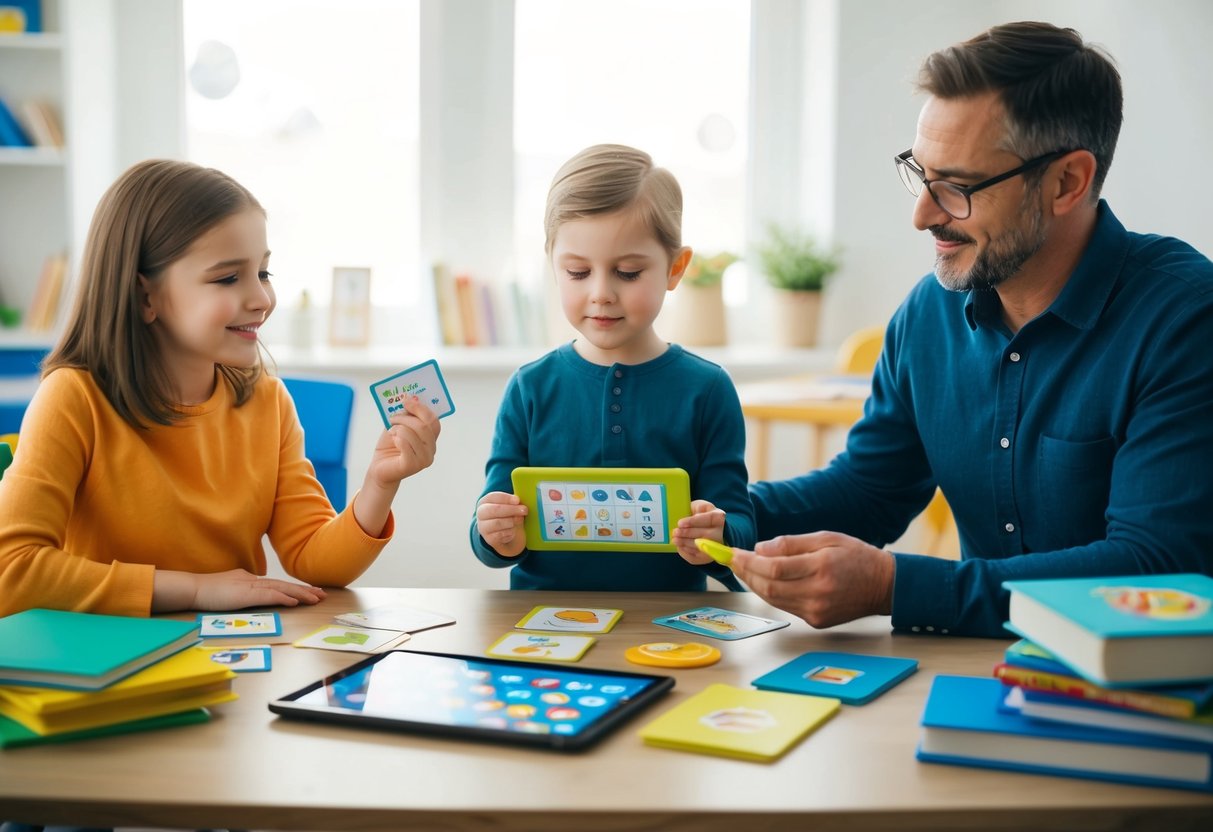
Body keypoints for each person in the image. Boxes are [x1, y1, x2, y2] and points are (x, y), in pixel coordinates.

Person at [678, 21, 1213, 637]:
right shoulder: (928, 315)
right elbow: (871, 490)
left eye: (957, 187)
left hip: (1151, 690)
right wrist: (727, 513)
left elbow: (1155, 568)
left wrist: (895, 587)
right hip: (984, 676)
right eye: (919, 173)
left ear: (1068, 181)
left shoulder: (1183, 320)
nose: (921, 214)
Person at [0, 159, 441, 617]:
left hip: (231, 655)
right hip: (106, 661)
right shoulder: (73, 398)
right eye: (228, 278)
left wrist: (379, 483)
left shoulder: (268, 402)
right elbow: (11, 571)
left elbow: (315, 558)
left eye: (264, 273)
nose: (262, 299)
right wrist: (193, 590)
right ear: (144, 296)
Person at [471, 144, 754, 590]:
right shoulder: (530, 387)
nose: (601, 293)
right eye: (579, 273)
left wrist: (717, 537)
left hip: (668, 630)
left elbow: (740, 528)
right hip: (544, 625)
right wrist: (496, 534)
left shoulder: (708, 389)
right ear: (554, 266)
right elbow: (491, 528)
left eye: (626, 272)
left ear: (675, 268)